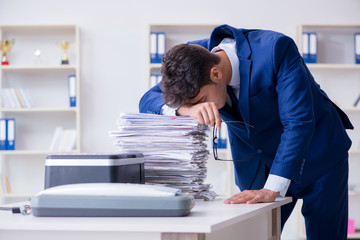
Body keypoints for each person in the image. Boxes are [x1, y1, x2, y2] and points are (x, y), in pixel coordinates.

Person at [139, 24, 353, 240]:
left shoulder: (276, 49)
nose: (203, 107)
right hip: (256, 164)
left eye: (202, 100)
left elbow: (298, 122)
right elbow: (147, 100)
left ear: (216, 73)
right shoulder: (190, 59)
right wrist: (187, 108)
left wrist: (273, 188)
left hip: (318, 155)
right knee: (253, 235)